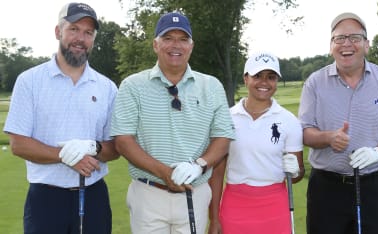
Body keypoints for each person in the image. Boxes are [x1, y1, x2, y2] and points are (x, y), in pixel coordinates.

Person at [110, 11, 235, 234]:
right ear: (155, 45)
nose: (175, 45)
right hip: (148, 194)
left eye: (182, 39)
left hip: (194, 193)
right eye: (168, 38)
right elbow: (123, 141)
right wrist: (164, 172)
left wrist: (199, 165)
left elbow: (223, 137)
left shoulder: (211, 86)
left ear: (191, 46)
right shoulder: (132, 86)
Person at [3, 2, 119, 234]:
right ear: (58, 31)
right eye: (74, 29)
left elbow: (115, 148)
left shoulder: (107, 87)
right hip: (45, 198)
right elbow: (19, 144)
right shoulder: (30, 81)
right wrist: (67, 157)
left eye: (88, 33)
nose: (81, 38)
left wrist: (92, 147)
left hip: (94, 195)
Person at [298, 12, 378, 234]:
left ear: (367, 45)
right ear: (331, 46)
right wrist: (328, 138)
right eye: (339, 38)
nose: (346, 44)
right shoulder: (314, 83)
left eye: (355, 37)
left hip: (373, 187)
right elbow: (304, 131)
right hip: (326, 189)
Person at [208, 51, 305, 234]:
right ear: (246, 79)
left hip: (275, 205)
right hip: (235, 203)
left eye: (271, 77)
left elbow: (298, 173)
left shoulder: (289, 121)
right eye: (257, 76)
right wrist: (214, 219)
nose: (264, 82)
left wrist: (295, 171)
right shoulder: (227, 118)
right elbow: (217, 173)